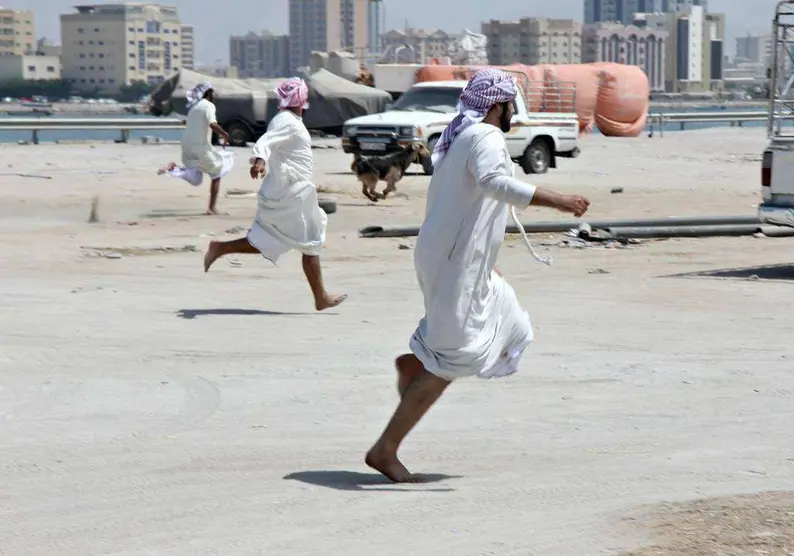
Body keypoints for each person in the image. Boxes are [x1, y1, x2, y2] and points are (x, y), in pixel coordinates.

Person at [365, 68, 591, 483]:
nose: (515, 115)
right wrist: (557, 200)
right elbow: (492, 183)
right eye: (512, 106)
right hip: (455, 261)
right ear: (499, 105)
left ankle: (415, 365)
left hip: (458, 258)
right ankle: (385, 449)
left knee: (512, 321)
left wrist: (485, 259)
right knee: (457, 358)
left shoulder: (460, 137)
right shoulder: (483, 136)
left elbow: (466, 204)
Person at [202, 78, 347, 311]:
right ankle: (321, 297)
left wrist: (262, 160)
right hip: (290, 192)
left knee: (272, 240)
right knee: (310, 242)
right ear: (301, 102)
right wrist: (259, 160)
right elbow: (266, 141)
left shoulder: (287, 120)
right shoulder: (287, 122)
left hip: (290, 191)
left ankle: (220, 248)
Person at [158, 81, 234, 215]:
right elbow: (212, 124)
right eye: (212, 92)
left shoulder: (194, 107)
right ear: (208, 93)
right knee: (217, 173)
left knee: (196, 179)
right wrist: (225, 134)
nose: (214, 96)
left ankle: (174, 168)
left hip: (187, 146)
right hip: (200, 147)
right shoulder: (209, 105)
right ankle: (211, 208)